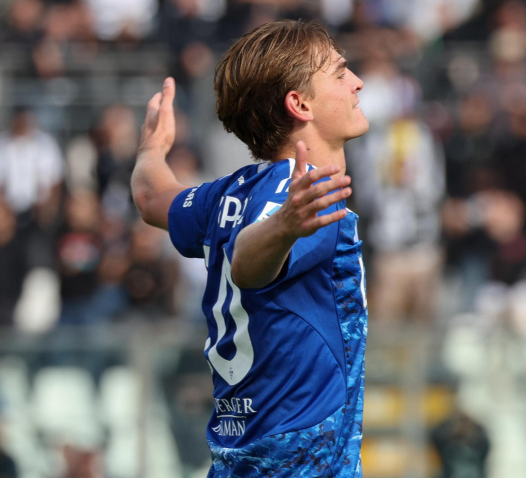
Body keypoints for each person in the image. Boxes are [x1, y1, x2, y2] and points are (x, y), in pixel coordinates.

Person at [130, 19, 369, 477]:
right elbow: (247, 264)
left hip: (239, 460)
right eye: (340, 74)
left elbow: (149, 197)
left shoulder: (227, 196)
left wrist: (152, 150)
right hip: (299, 465)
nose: (357, 82)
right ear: (300, 104)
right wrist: (285, 226)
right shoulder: (310, 201)